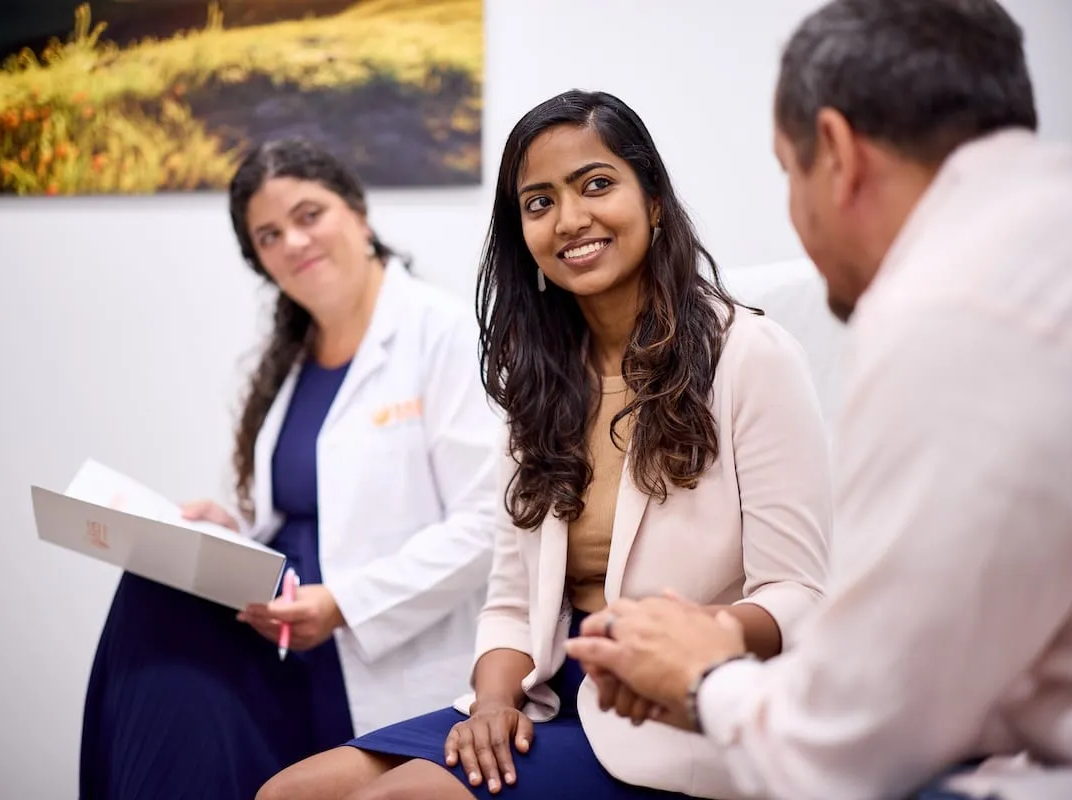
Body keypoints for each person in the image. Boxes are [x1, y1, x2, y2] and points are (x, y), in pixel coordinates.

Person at [565, 1, 1072, 799]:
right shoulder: (1045, 242)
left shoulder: (943, 312)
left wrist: (703, 670)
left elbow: (854, 741)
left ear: (836, 152)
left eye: (787, 170)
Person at [257, 90, 833, 800]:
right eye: (539, 202)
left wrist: (692, 641)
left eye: (596, 185)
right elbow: (509, 596)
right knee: (288, 792)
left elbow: (799, 592)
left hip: (674, 706)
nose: (570, 220)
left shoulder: (750, 356)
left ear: (653, 200)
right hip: (546, 694)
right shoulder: (539, 379)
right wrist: (494, 703)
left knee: (399, 798)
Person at [79, 138, 500, 799]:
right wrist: (230, 524)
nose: (294, 242)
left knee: (160, 626)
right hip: (281, 630)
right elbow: (290, 511)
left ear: (358, 214)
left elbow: (490, 525)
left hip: (368, 645)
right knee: (154, 592)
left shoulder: (444, 333)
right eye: (269, 235)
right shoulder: (284, 363)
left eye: (310, 215)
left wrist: (342, 606)